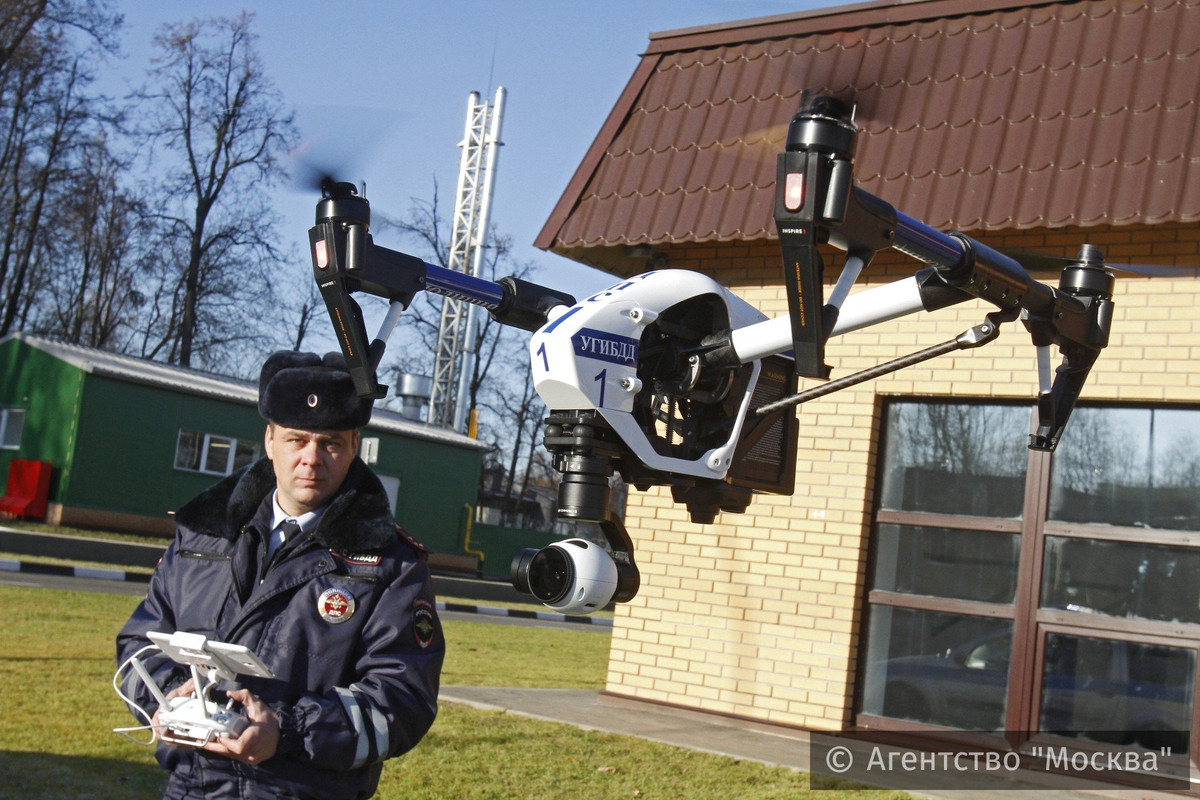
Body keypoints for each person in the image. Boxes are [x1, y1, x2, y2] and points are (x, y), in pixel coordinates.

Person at [117, 351, 444, 800]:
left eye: (329, 442)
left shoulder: (391, 565)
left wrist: (287, 730)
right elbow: (138, 644)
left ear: (354, 446)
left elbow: (403, 701)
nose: (311, 459)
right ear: (270, 441)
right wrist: (169, 699)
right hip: (191, 787)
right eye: (296, 439)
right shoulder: (203, 535)